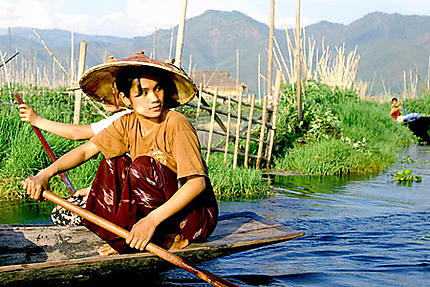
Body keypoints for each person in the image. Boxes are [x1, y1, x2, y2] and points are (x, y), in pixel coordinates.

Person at [21, 51, 218, 256]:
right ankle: (124, 238)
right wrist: (45, 174)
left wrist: (151, 221)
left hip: (193, 221)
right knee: (113, 163)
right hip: (158, 213)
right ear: (126, 98)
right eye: (143, 93)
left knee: (142, 167)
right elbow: (86, 150)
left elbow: (197, 183)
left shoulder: (177, 124)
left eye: (157, 90)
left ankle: (171, 238)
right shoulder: (125, 124)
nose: (154, 99)